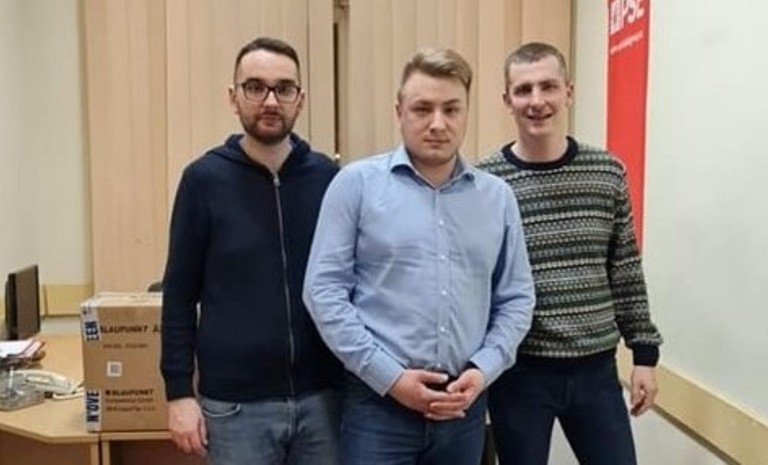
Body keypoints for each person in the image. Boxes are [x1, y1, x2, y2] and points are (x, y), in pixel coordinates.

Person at [303, 47, 536, 465]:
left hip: (463, 407)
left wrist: (483, 369)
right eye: (422, 109)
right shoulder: (355, 186)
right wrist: (390, 378)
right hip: (378, 407)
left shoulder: (497, 198)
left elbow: (517, 298)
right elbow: (323, 292)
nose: (438, 123)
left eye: (451, 109)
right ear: (399, 111)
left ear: (466, 112)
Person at [477, 41, 664, 465]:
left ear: (569, 92)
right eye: (523, 90)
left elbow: (625, 269)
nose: (536, 100)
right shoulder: (485, 182)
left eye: (548, 86)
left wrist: (644, 355)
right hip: (519, 372)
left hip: (596, 370)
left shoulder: (606, 172)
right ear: (507, 100)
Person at [160, 37, 342, 465]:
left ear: (301, 99)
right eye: (255, 87)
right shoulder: (203, 181)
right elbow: (179, 295)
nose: (270, 101)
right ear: (233, 97)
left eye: (284, 88)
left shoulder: (329, 179)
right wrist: (179, 393)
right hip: (235, 408)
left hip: (323, 399)